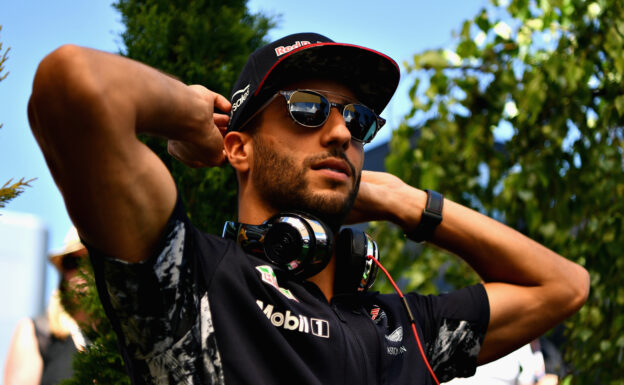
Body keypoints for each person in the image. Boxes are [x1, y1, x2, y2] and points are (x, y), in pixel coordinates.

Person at [27, 32, 589, 384]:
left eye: (358, 119)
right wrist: (188, 114)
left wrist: (402, 200)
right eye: (307, 109)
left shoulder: (397, 328)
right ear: (239, 149)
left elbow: (564, 286)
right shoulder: (191, 280)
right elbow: (74, 86)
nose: (342, 131)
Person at [4, 227, 88, 385]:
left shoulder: (128, 334)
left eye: (90, 261)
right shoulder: (37, 332)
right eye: (72, 262)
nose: (82, 272)